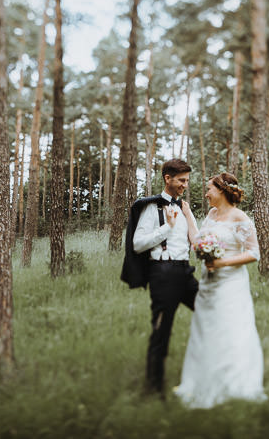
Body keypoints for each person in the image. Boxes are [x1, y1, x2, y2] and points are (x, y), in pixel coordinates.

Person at [174, 172, 267, 408]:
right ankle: (201, 380)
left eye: (209, 189)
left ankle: (234, 385)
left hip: (230, 283)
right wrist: (187, 216)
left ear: (222, 190)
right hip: (208, 284)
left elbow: (254, 253)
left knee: (230, 329)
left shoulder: (240, 218)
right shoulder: (212, 214)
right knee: (206, 330)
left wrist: (222, 263)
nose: (206, 193)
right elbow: (198, 241)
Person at [120, 158, 198, 397]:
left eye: (187, 180)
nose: (185, 185)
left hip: (185, 272)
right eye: (182, 180)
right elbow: (138, 244)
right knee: (162, 328)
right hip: (163, 274)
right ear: (168, 178)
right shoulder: (151, 208)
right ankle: (153, 389)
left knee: (210, 310)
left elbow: (195, 239)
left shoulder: (184, 207)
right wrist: (167, 227)